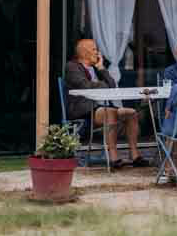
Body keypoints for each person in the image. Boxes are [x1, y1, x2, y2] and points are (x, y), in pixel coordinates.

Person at [64, 39, 150, 169]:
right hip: (85, 110)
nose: (97, 52)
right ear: (83, 52)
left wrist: (101, 68)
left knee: (131, 113)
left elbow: (112, 84)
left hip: (102, 107)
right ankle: (114, 157)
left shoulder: (96, 68)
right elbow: (86, 86)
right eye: (94, 49)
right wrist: (103, 85)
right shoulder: (72, 66)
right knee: (111, 112)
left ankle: (135, 155)